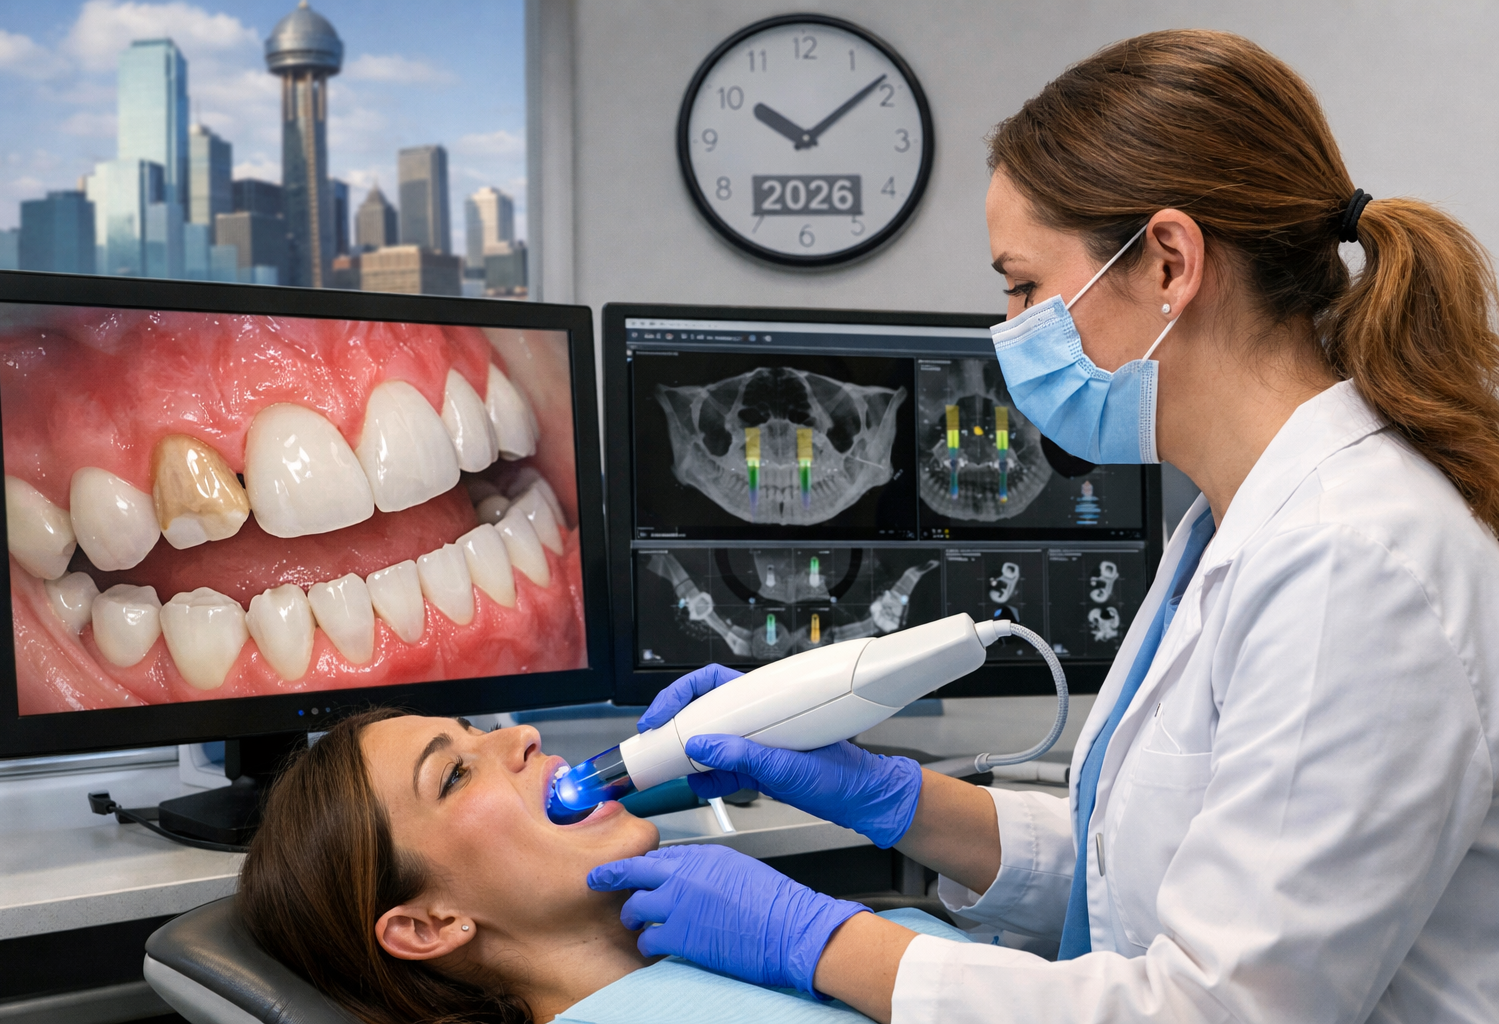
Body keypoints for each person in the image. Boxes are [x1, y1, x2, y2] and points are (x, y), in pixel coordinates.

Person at [586, 29, 1499, 1024]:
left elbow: (1224, 1010)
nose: (1009, 327)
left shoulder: (1351, 560)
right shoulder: (1230, 527)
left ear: (1168, 262)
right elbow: (1132, 875)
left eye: (1022, 285)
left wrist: (827, 943)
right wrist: (883, 794)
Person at [236, 708, 973, 1024]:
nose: (520, 736)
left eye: (474, 732)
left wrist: (892, 798)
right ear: (430, 925)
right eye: (455, 775)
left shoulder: (743, 953)